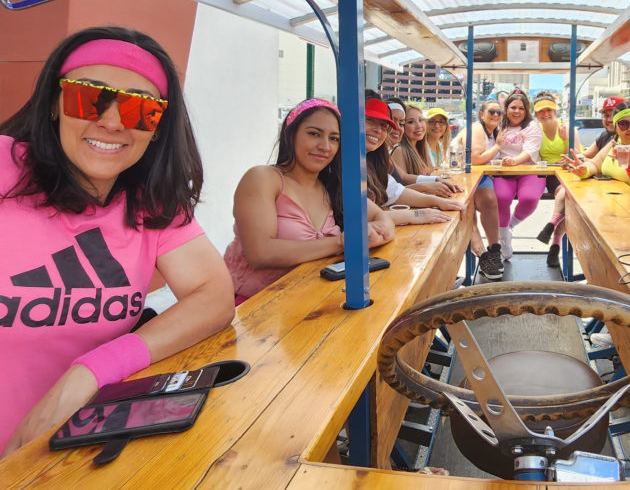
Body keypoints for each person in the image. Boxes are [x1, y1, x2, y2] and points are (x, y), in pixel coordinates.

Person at [0, 27, 235, 455]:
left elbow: (214, 296)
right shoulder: (4, 169)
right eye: (88, 97)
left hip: (69, 458)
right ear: (54, 103)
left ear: (158, 127)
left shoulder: (149, 202)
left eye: (139, 109)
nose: (111, 121)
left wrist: (89, 372)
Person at [224, 98, 395, 303]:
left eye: (334, 139)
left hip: (308, 303)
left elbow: (381, 216)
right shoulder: (263, 178)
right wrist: (345, 241)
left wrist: (378, 230)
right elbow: (260, 253)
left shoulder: (333, 187)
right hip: (251, 308)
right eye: (314, 134)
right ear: (290, 134)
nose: (324, 146)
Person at [363, 97, 461, 220]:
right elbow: (363, 214)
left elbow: (395, 191)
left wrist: (438, 200)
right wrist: (418, 212)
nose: (378, 130)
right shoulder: (397, 151)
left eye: (383, 125)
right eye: (370, 120)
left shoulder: (376, 161)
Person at [493, 91, 544, 260]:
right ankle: (503, 241)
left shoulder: (532, 127)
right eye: (513, 107)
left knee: (529, 198)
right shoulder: (499, 125)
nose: (517, 111)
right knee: (501, 197)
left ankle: (507, 229)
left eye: (521, 108)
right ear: (506, 108)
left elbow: (530, 151)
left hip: (528, 170)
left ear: (526, 110)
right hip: (503, 171)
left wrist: (514, 161)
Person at [533, 92, 576, 268]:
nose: (545, 114)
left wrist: (566, 141)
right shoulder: (535, 131)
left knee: (566, 194)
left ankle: (553, 235)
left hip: (564, 172)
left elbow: (576, 155)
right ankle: (555, 241)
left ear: (555, 111)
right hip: (545, 174)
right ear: (536, 115)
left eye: (549, 110)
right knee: (565, 196)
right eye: (541, 111)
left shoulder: (567, 128)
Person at [567, 101, 630, 184]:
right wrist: (585, 170)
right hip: (607, 194)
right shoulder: (616, 141)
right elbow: (595, 164)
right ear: (616, 128)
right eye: (623, 124)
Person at [467, 99, 505, 279]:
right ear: (481, 114)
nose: (496, 115)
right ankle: (482, 255)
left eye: (499, 112)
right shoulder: (477, 129)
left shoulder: (494, 132)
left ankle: (494, 249)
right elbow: (475, 158)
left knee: (490, 200)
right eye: (491, 112)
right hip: (464, 176)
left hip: (482, 177)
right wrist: (498, 146)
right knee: (467, 212)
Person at [580, 96, 626, 160]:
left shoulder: (627, 139)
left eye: (614, 115)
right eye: (606, 115)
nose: (610, 120)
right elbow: (585, 154)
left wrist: (581, 160)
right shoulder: (605, 135)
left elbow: (600, 164)